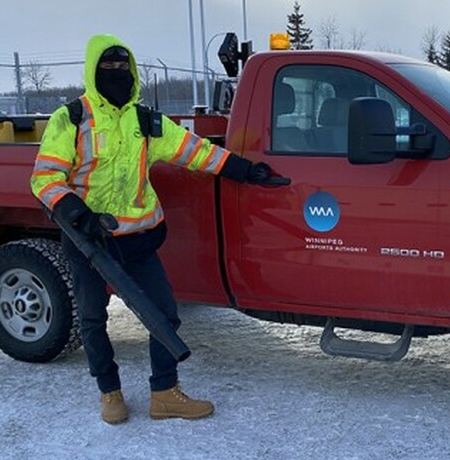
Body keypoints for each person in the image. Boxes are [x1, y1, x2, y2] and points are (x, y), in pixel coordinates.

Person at [30, 34, 274, 424]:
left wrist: (246, 171)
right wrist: (78, 214)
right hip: (88, 241)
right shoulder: (71, 118)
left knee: (164, 315)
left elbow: (197, 151)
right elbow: (45, 178)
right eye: (107, 68)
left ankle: (165, 393)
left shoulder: (146, 122)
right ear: (93, 72)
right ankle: (109, 393)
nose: (116, 74)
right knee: (93, 319)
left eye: (123, 67)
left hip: (137, 240)